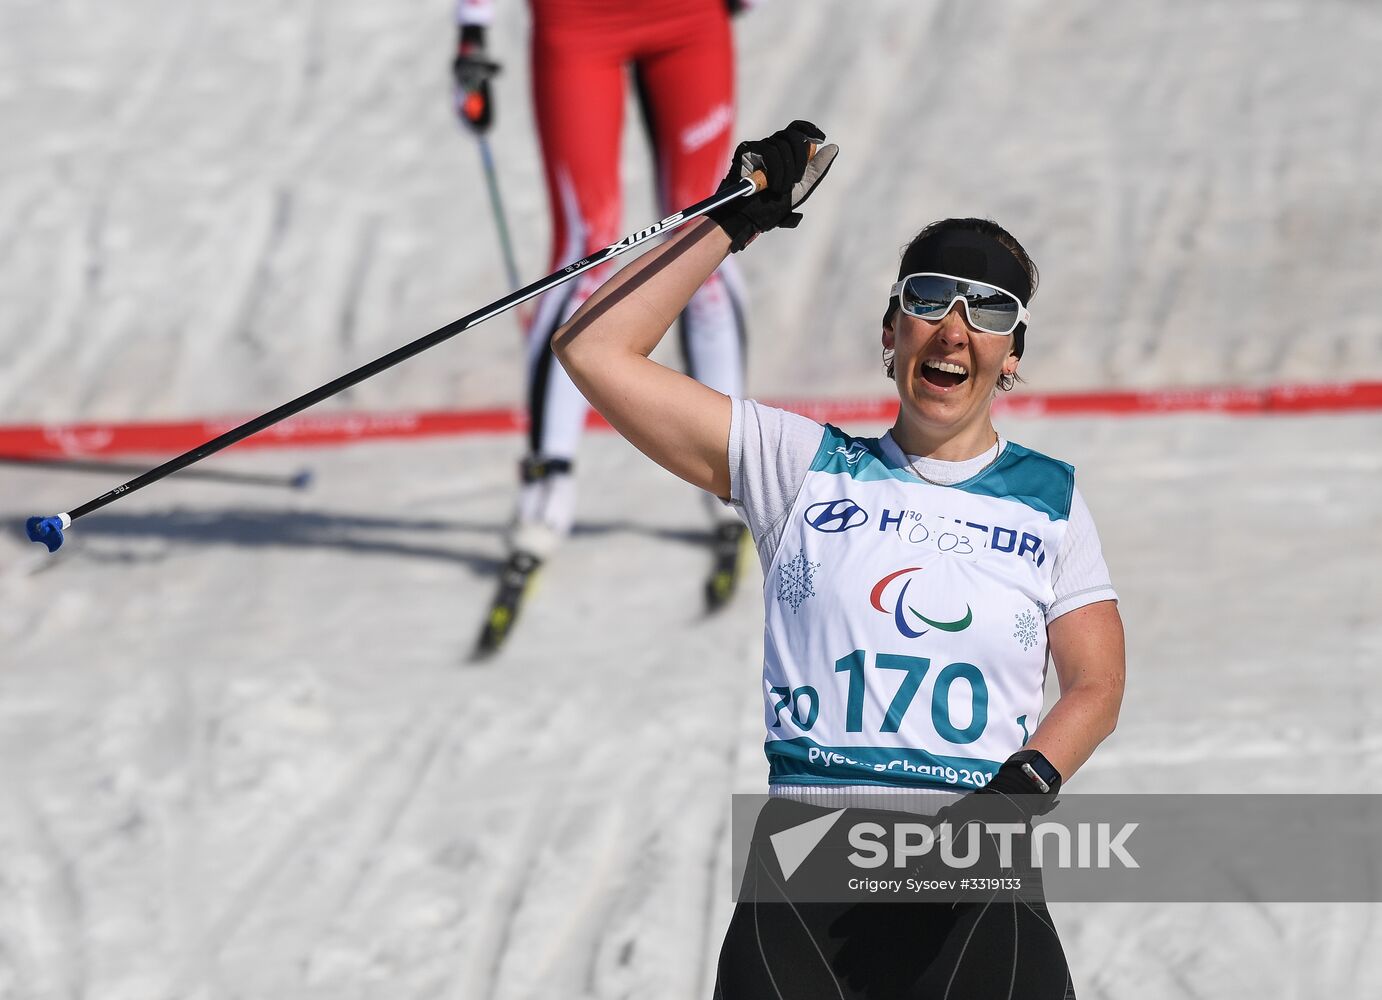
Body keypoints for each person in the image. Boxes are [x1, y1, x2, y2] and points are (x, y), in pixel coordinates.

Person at [549, 121, 1127, 997]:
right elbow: (592, 349)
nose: (955, 330)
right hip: (808, 874)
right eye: (931, 299)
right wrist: (727, 221)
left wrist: (1019, 790)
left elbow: (1096, 684)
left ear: (1013, 357)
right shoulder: (800, 467)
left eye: (991, 311)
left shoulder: (1049, 500)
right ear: (891, 331)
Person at [451, 0, 759, 649]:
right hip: (578, 22)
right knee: (584, 252)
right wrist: (472, 31)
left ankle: (730, 477)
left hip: (688, 20)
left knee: (705, 238)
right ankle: (546, 489)